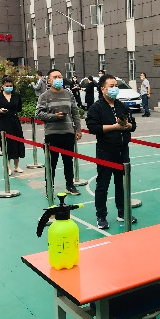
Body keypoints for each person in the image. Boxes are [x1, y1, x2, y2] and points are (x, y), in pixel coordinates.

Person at [86, 74, 137, 229]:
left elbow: (133, 125)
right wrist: (114, 127)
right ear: (103, 89)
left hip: (122, 150)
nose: (115, 88)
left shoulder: (122, 106)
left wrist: (126, 125)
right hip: (105, 151)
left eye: (116, 86)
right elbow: (93, 127)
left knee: (121, 183)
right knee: (103, 184)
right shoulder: (96, 108)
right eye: (111, 86)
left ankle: (122, 212)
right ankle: (101, 216)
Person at [35, 69, 83, 196]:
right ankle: (49, 187)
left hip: (68, 132)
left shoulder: (69, 94)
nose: (58, 79)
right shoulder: (44, 96)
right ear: (49, 80)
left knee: (68, 161)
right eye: (55, 77)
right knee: (51, 163)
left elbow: (75, 113)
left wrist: (78, 129)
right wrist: (54, 116)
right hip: (52, 134)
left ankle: (70, 185)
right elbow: (38, 114)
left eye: (60, 77)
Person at [0, 76, 26, 175]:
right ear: (3, 86)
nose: (9, 87)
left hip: (15, 122)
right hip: (4, 122)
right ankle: (8, 166)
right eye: (7, 85)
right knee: (6, 143)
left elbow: (19, 108)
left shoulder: (16, 96)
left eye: (11, 85)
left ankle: (16, 166)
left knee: (17, 142)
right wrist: (0, 111)